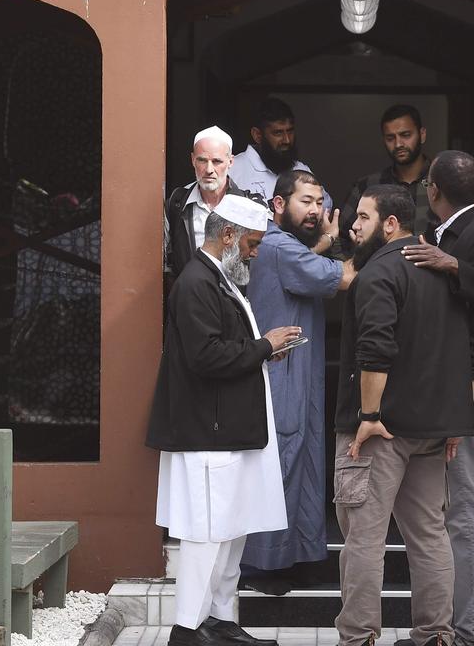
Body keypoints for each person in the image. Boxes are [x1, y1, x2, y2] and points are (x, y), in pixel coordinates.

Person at [146, 193, 303, 646]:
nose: (255, 253)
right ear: (229, 235)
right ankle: (188, 630)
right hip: (207, 434)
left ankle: (218, 622)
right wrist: (265, 346)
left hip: (225, 431)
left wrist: (264, 348)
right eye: (253, 244)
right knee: (207, 535)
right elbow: (205, 356)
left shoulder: (219, 278)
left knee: (230, 533)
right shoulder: (196, 282)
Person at [334, 185, 474, 646]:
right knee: (430, 534)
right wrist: (455, 419)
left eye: (362, 217)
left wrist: (368, 414)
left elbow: (375, 349)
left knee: (363, 539)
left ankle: (357, 638)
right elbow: (470, 352)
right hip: (433, 430)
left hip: (379, 429)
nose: (353, 225)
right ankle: (436, 635)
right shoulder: (442, 271)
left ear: (390, 223)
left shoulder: (377, 275)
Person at [402, 151, 474, 646]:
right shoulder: (448, 229)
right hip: (445, 390)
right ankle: (444, 628)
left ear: (433, 189)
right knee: (444, 507)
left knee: (467, 506)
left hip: (471, 391)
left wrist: (451, 264)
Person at [241, 170, 356, 593]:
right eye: (305, 201)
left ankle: (296, 556)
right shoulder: (276, 246)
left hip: (298, 372)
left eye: (319, 202)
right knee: (283, 464)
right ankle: (263, 566)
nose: (315, 210)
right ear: (277, 204)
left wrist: (325, 242)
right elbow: (343, 277)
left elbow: (316, 263)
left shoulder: (286, 246)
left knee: (305, 461)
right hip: (281, 374)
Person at [165, 126, 263, 279]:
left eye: (217, 161)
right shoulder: (177, 203)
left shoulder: (249, 205)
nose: (209, 169)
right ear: (192, 160)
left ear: (231, 162)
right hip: (193, 297)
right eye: (202, 160)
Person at [339, 105, 440, 250]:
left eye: (406, 135)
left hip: (434, 271)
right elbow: (340, 237)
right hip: (380, 270)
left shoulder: (443, 182)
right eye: (390, 138)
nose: (398, 144)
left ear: (422, 134)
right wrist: (355, 265)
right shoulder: (368, 186)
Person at [229, 97, 335, 217]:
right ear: (257, 135)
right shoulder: (233, 169)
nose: (287, 140)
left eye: (290, 131)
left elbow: (325, 207)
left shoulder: (301, 170)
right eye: (278, 133)